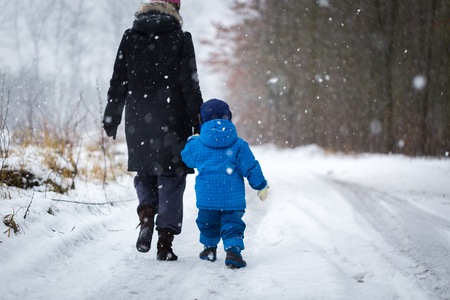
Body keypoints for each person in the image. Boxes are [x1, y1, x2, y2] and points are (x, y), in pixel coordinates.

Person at [103, 0, 203, 261]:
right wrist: (198, 120)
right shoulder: (181, 38)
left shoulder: (130, 36)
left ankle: (146, 216)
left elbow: (118, 80)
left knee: (145, 173)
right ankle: (165, 243)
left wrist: (111, 116)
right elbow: (189, 84)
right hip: (173, 119)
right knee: (171, 178)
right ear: (176, 10)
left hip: (139, 119)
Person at [181, 99, 269, 268]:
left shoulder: (197, 144)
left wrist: (191, 140)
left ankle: (209, 249)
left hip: (207, 197)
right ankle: (233, 251)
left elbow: (188, 160)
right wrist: (261, 185)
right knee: (233, 223)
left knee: (207, 222)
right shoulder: (239, 144)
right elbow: (251, 167)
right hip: (232, 197)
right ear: (229, 117)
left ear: (202, 120)